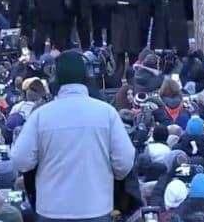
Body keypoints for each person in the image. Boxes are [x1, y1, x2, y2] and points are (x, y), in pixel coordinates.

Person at [11, 50, 136, 221]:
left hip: (51, 210)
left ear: (55, 80)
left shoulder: (41, 116)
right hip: (96, 208)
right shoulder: (107, 113)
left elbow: (21, 160)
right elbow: (124, 161)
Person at [103, 0, 143, 79]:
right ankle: (117, 77)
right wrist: (114, 3)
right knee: (119, 52)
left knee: (133, 52)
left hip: (132, 21)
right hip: (118, 21)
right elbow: (104, 0)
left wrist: (131, 1)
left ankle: (133, 77)